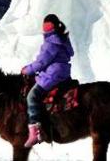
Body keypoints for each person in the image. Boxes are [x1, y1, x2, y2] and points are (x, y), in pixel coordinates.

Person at [20, 14, 74, 148]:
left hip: (52, 74)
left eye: (48, 26)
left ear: (53, 27)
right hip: (63, 73)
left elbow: (41, 62)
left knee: (32, 97)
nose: (46, 29)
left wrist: (27, 70)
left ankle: (35, 132)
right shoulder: (63, 39)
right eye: (45, 26)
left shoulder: (51, 42)